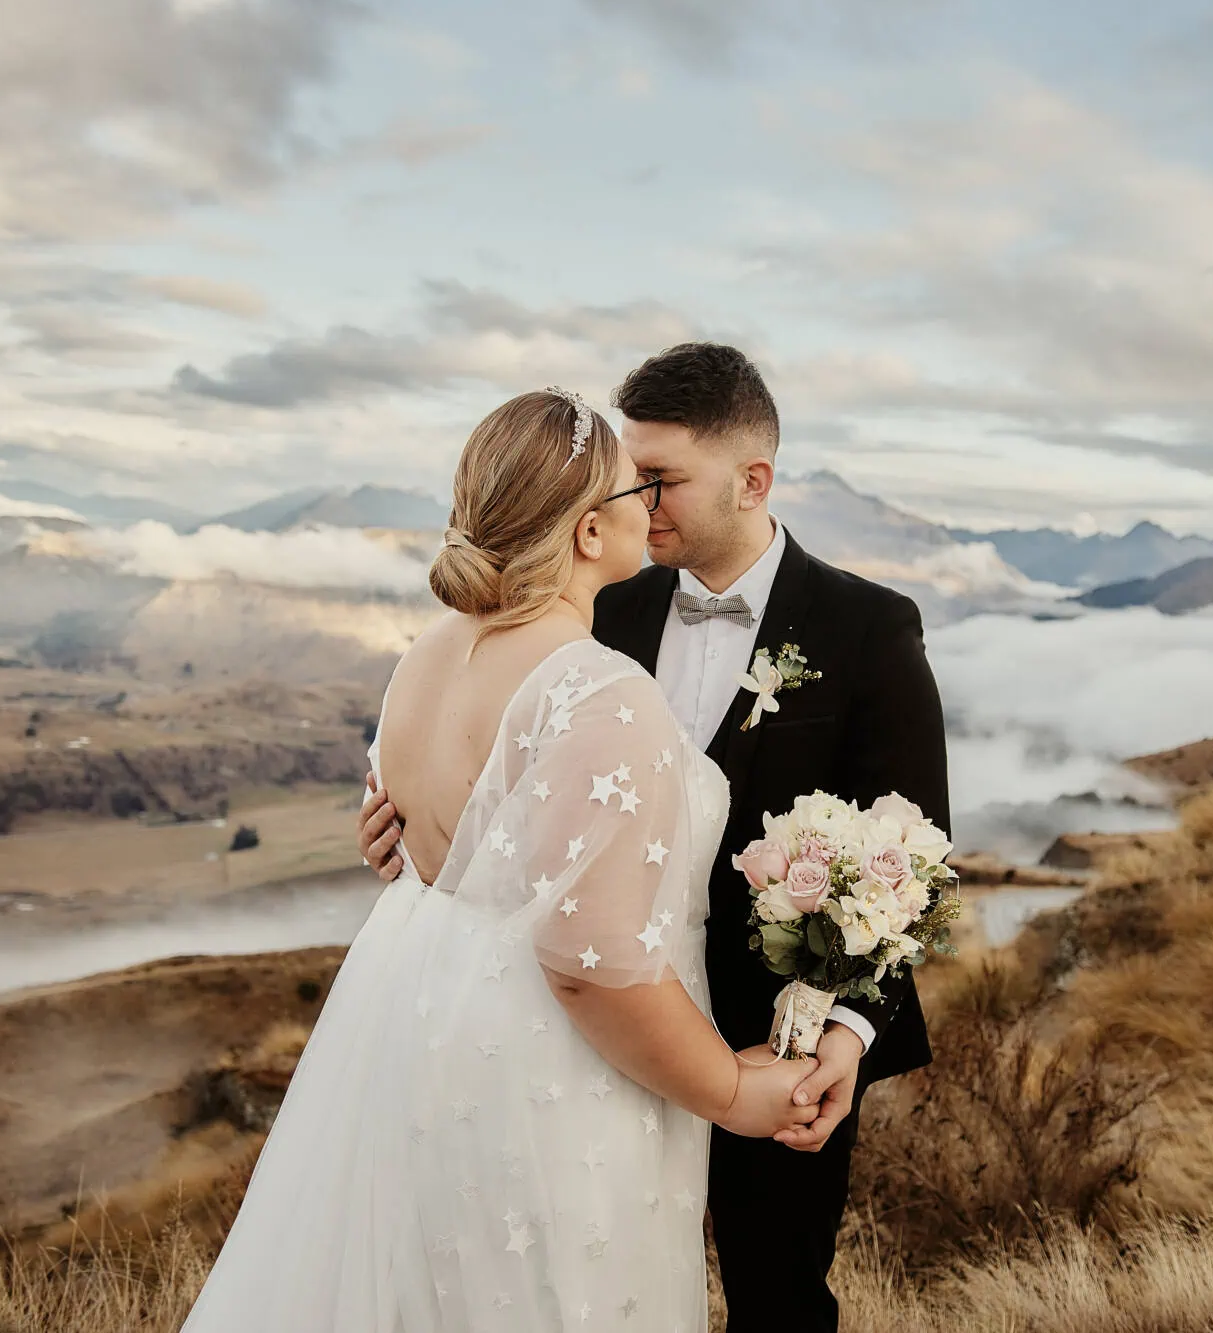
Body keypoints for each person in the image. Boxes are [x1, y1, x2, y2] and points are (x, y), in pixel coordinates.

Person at [184, 388, 819, 1333]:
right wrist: (731, 1092)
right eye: (633, 489)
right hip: (554, 1078)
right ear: (588, 530)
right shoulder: (599, 689)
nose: (648, 504)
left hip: (427, 1038)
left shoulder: (426, 655)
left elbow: (449, 854)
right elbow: (589, 964)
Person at [363, 344, 951, 1332]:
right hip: (581, 1042)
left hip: (777, 1038)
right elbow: (497, 766)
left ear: (751, 480)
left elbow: (912, 854)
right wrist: (417, 830)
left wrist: (849, 1032)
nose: (637, 498)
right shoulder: (600, 599)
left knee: (778, 1302)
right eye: (628, 475)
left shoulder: (868, 628)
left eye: (660, 477)